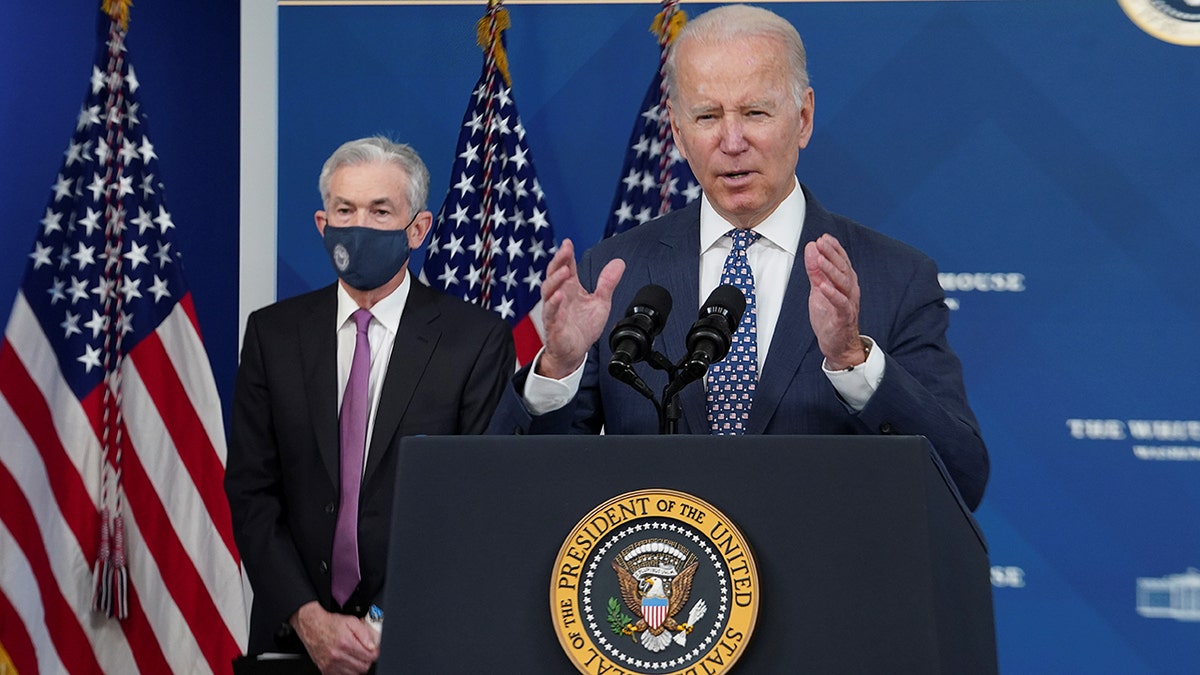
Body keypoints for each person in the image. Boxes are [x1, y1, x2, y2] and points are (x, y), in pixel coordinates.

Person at [486, 4, 989, 510]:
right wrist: (556, 368)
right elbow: (520, 487)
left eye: (755, 113)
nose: (732, 141)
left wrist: (852, 362)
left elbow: (961, 475)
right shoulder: (611, 277)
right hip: (666, 583)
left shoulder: (895, 278)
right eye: (707, 116)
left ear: (803, 119)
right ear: (679, 135)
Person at [226, 136, 515, 673]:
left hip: (420, 642)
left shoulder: (475, 339)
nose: (359, 226)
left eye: (380, 211)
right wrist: (308, 617)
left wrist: (384, 620)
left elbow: (475, 501)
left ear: (418, 228)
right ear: (322, 223)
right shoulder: (272, 334)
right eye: (345, 210)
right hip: (294, 639)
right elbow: (251, 489)